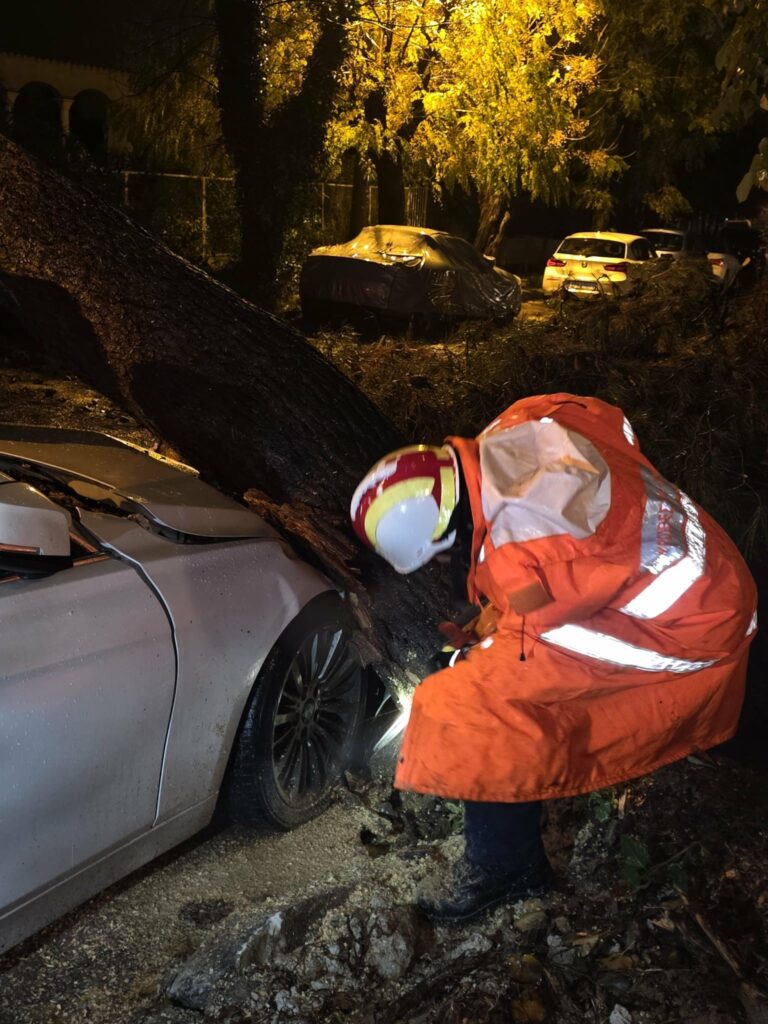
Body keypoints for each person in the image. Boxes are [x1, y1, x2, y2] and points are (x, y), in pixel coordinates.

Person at [350, 393, 757, 923]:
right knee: (482, 663)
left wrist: (460, 668)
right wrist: (484, 632)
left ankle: (507, 870)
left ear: (448, 529)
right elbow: (598, 416)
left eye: (444, 550)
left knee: (471, 705)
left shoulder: (536, 556)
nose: (449, 561)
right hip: (711, 573)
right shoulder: (519, 433)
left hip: (691, 630)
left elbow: (531, 648)